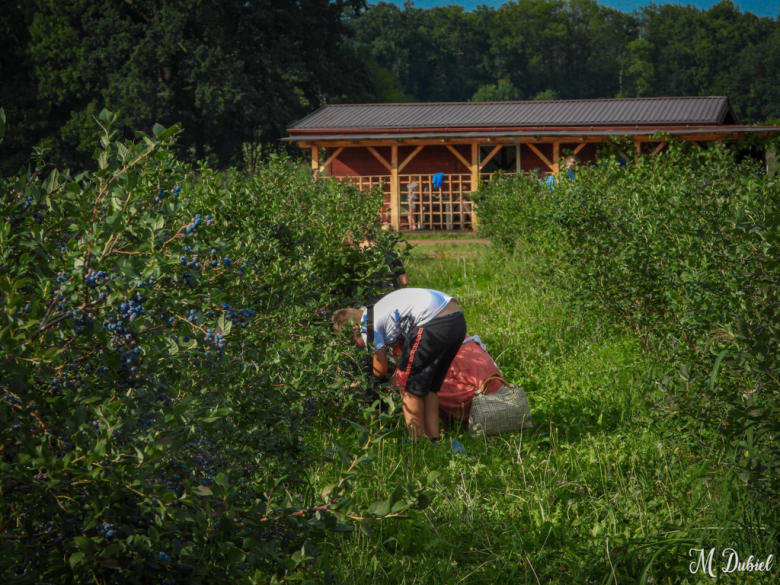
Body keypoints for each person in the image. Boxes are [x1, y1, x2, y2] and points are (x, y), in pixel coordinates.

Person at [331, 288, 467, 442]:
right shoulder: (380, 311)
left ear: (354, 329)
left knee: (408, 388)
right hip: (456, 320)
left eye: (353, 342)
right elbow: (407, 355)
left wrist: (361, 383)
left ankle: (417, 442)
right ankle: (433, 439)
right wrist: (397, 377)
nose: (357, 347)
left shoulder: (367, 326)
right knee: (428, 386)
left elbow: (380, 370)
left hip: (432, 321)